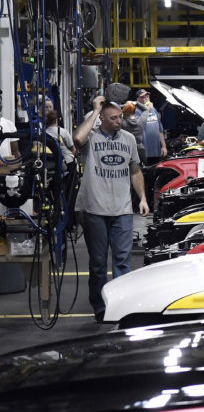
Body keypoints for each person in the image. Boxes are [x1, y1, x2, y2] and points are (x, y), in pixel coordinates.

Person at [73, 96, 149, 322]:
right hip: (94, 209)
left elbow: (134, 170)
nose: (119, 121)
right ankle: (99, 306)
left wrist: (142, 198)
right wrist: (96, 110)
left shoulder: (128, 139)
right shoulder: (93, 137)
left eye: (120, 117)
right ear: (103, 119)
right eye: (113, 118)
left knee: (122, 260)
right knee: (98, 263)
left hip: (122, 209)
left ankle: (120, 306)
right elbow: (77, 138)